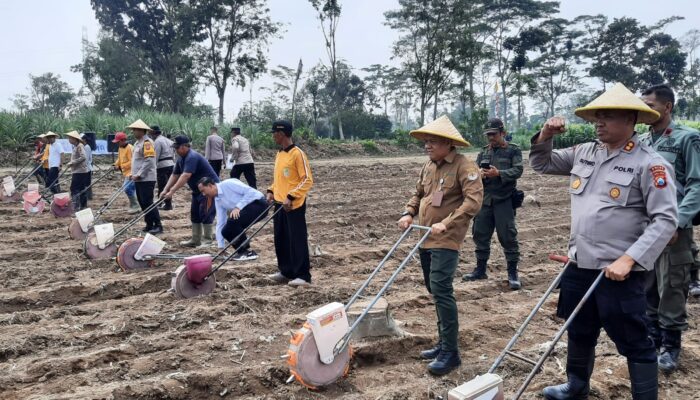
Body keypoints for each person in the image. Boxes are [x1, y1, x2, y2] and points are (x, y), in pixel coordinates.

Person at [530, 83, 678, 400]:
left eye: (607, 117)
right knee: (579, 328)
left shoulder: (649, 164)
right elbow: (542, 163)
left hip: (618, 271)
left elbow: (665, 219)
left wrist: (630, 259)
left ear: (630, 120)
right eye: (597, 117)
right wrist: (545, 135)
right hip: (580, 264)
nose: (599, 123)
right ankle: (576, 385)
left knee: (634, 338)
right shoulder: (584, 152)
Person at [398, 115, 483, 376]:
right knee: (433, 289)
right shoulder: (429, 167)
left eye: (432, 141)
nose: (427, 145)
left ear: (448, 143)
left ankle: (451, 353)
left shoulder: (464, 167)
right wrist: (409, 212)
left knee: (442, 289)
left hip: (446, 238)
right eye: (426, 141)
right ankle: (443, 343)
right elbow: (418, 193)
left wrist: (447, 222)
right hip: (425, 237)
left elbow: (473, 202)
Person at [640, 83, 700, 373]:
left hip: (673, 228)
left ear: (667, 107)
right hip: (644, 227)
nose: (646, 110)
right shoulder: (641, 141)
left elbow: (696, 185)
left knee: (672, 286)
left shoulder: (686, 139)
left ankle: (671, 345)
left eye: (650, 105)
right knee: (647, 283)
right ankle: (652, 337)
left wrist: (678, 221)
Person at [463, 118, 523, 290]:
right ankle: (480, 270)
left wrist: (499, 173)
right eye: (488, 135)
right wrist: (478, 174)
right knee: (480, 234)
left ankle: (512, 273)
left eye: (494, 134)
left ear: (502, 133)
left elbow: (518, 170)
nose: (490, 138)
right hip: (485, 200)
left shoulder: (513, 150)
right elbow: (473, 172)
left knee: (507, 236)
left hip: (504, 199)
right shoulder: (484, 152)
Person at [266, 120, 314, 287]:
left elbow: (307, 180)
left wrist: (292, 196)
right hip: (279, 203)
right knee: (281, 239)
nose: (273, 136)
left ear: (282, 133)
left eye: (274, 133)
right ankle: (286, 271)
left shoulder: (297, 154)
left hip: (294, 205)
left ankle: (302, 275)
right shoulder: (279, 154)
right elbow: (280, 179)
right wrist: (271, 191)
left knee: (296, 240)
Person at [161, 135, 220, 247]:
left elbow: (186, 176)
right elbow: (175, 175)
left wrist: (172, 192)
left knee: (206, 213)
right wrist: (165, 190)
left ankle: (207, 240)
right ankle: (195, 239)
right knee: (195, 214)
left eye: (177, 148)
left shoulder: (192, 157)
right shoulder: (181, 159)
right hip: (197, 191)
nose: (176, 150)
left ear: (184, 147)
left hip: (209, 190)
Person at [198, 177, 268, 261]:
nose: (203, 194)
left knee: (233, 221)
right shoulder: (218, 200)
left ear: (210, 186)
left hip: (259, 204)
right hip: (247, 210)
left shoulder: (228, 184)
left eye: (203, 191)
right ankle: (242, 252)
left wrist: (238, 207)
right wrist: (221, 247)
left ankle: (248, 253)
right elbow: (220, 222)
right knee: (225, 230)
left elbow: (251, 192)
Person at [128, 119, 163, 234]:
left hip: (146, 178)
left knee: (148, 202)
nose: (133, 132)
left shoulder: (147, 143)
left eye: (135, 130)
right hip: (139, 179)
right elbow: (137, 161)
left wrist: (139, 174)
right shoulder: (137, 143)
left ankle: (158, 225)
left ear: (142, 131)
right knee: (142, 202)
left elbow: (149, 161)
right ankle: (149, 224)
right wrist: (133, 174)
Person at [112, 132, 140, 214]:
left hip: (132, 172)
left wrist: (121, 167)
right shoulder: (120, 148)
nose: (117, 143)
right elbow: (120, 159)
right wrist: (115, 164)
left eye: (118, 141)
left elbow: (132, 162)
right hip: (126, 173)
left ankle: (135, 205)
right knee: (130, 189)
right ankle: (135, 205)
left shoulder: (130, 148)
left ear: (123, 140)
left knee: (127, 188)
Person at [149, 125, 175, 210]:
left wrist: (153, 167)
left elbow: (156, 156)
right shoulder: (169, 141)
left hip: (162, 166)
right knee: (168, 185)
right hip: (171, 164)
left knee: (162, 185)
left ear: (153, 133)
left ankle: (167, 204)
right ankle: (161, 202)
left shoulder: (158, 141)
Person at [65, 130, 90, 211]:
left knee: (73, 188)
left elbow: (83, 157)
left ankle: (76, 205)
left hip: (80, 171)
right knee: (81, 188)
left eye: (70, 138)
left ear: (75, 139)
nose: (69, 140)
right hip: (77, 170)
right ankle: (83, 205)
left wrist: (72, 162)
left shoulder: (80, 146)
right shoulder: (76, 146)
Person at [81, 133, 94, 200]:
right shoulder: (84, 147)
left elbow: (86, 158)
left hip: (87, 168)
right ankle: (88, 196)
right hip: (84, 168)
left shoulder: (87, 147)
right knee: (85, 182)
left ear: (84, 139)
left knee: (87, 183)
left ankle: (88, 196)